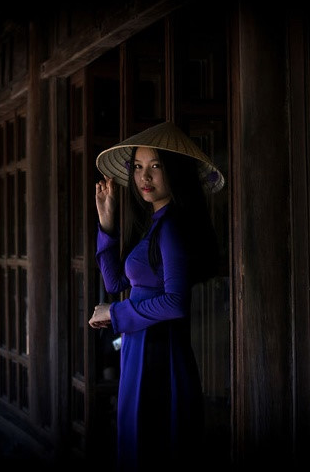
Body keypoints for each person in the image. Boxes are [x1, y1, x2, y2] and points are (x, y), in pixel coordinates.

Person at [88, 121, 225, 471]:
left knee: (154, 445)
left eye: (155, 166)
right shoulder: (153, 224)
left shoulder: (172, 228)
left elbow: (175, 302)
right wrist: (106, 225)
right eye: (137, 167)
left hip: (160, 354)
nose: (144, 177)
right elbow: (117, 282)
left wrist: (115, 314)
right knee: (139, 439)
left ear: (173, 172)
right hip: (140, 348)